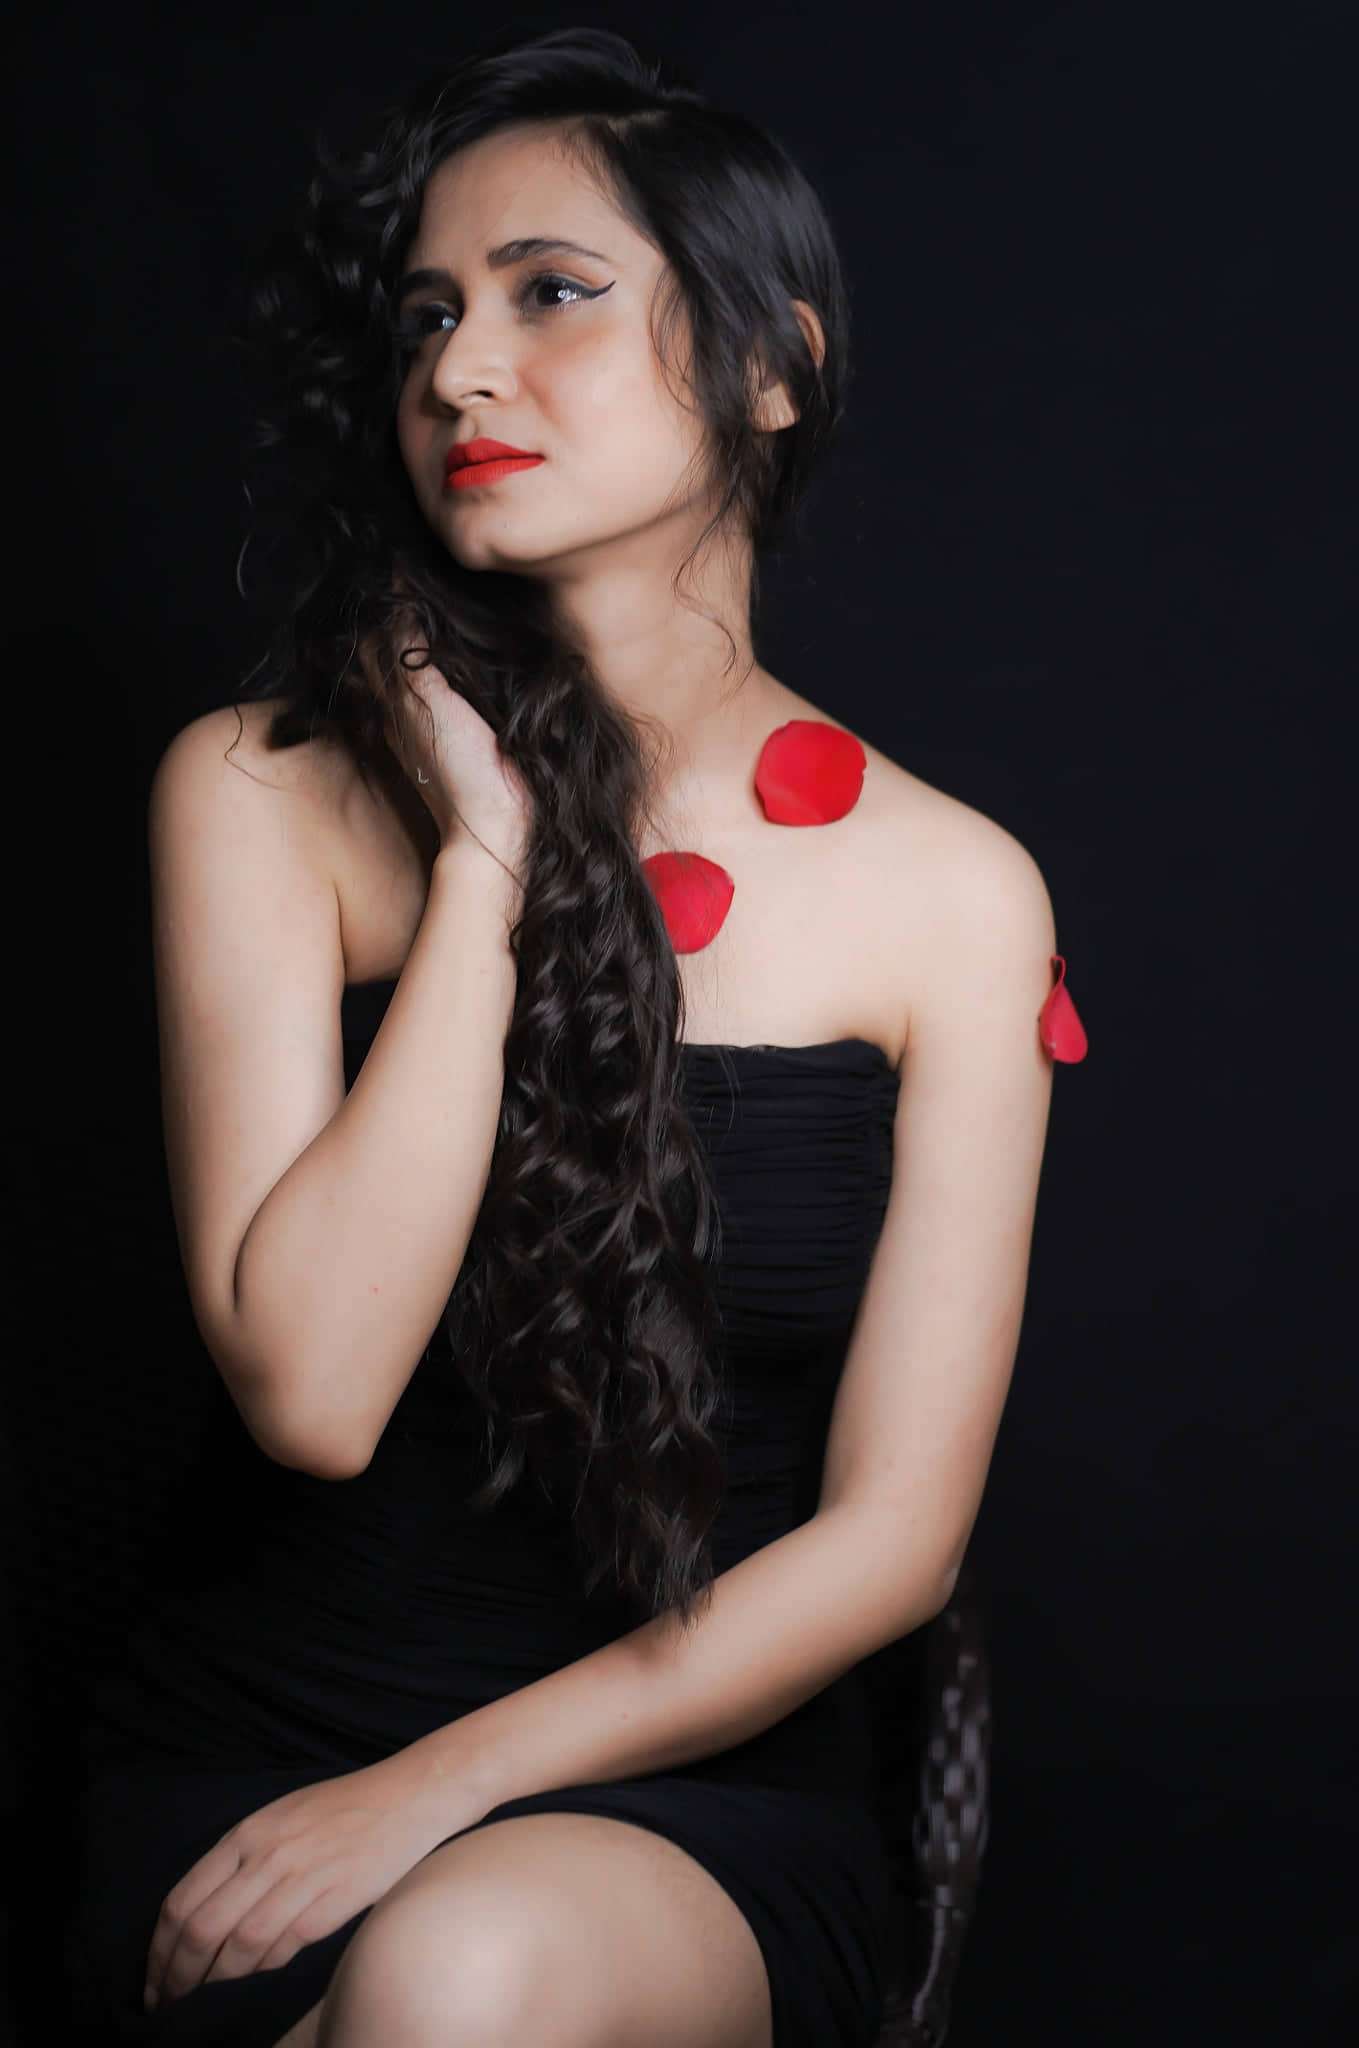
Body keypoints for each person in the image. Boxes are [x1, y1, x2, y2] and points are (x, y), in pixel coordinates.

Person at [63, 25, 1062, 2048]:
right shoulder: (255, 793)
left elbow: (891, 1540)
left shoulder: (956, 894)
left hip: (684, 1805)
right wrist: (489, 864)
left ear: (769, 366)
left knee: (460, 1967)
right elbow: (315, 1390)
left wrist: (432, 1793)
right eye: (430, 315)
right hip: (255, 1760)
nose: (458, 372)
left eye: (550, 293)